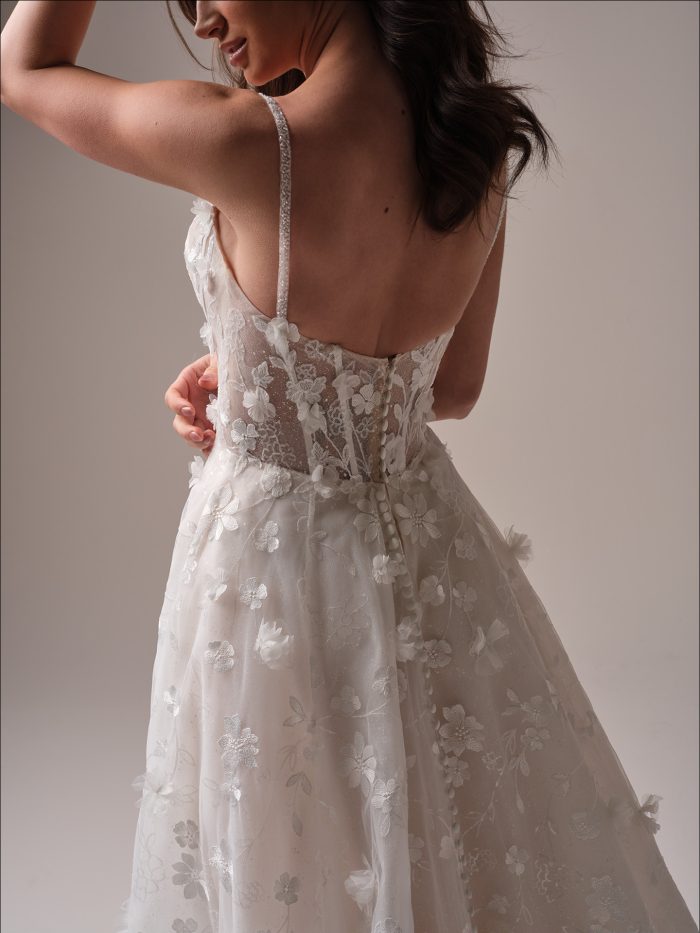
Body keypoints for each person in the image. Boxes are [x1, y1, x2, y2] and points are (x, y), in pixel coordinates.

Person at [2, 2, 697, 932]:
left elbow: (24, 67)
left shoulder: (253, 145)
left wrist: (274, 382)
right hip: (431, 554)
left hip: (270, 579)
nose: (204, 17)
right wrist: (258, 365)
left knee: (293, 857)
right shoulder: (473, 149)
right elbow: (451, 385)